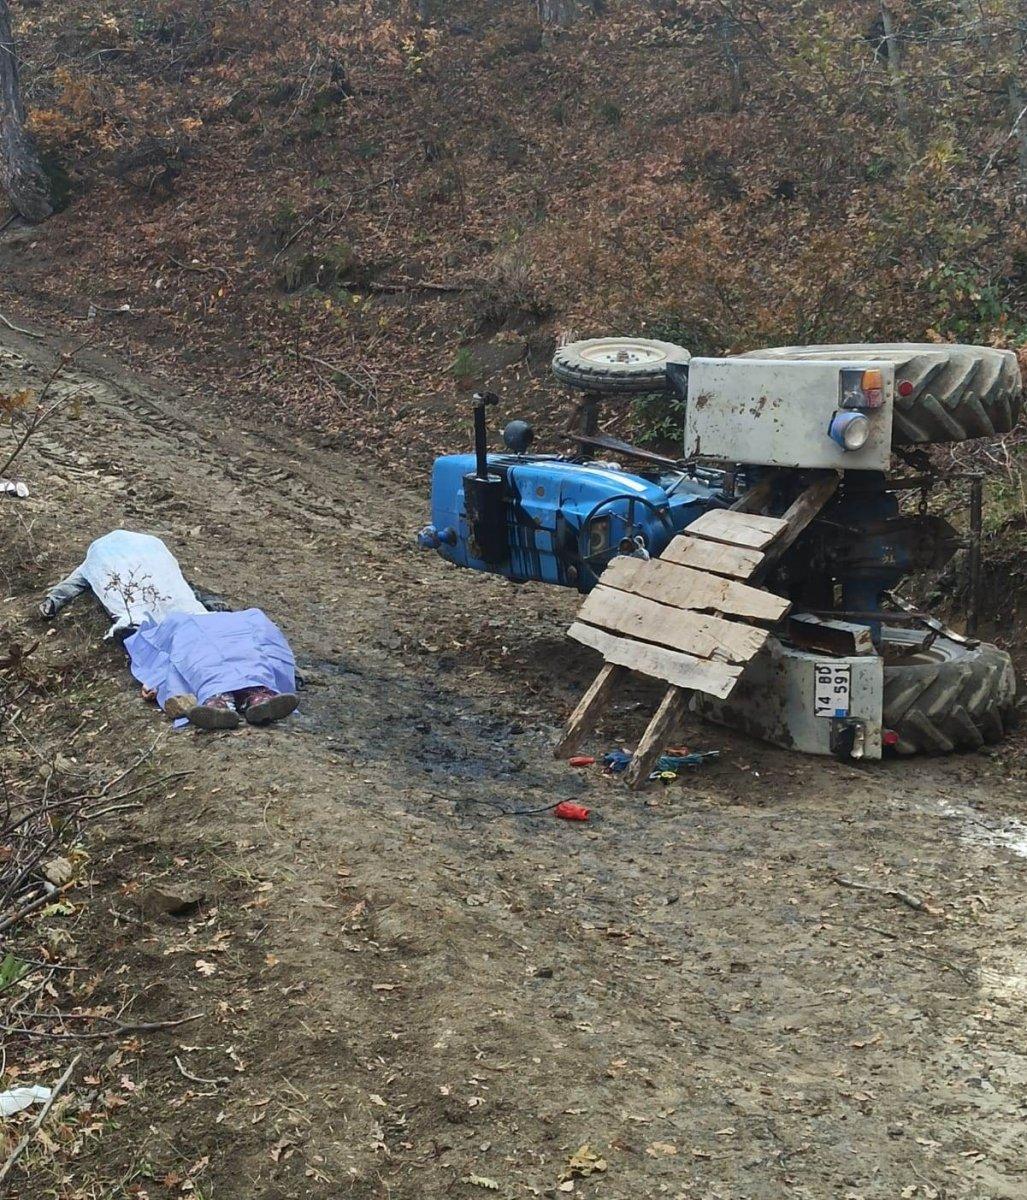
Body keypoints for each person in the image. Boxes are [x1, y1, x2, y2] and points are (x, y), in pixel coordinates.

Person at [42, 531, 298, 729]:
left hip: (183, 615)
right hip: (163, 620)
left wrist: (51, 603)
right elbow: (185, 586)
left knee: (239, 627)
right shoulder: (129, 556)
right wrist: (53, 601)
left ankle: (241, 697)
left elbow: (179, 583)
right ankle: (239, 696)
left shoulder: (107, 560)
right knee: (199, 644)